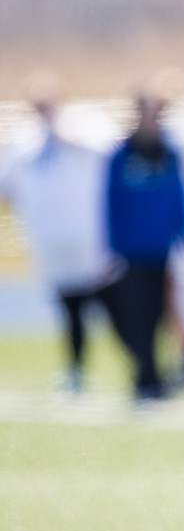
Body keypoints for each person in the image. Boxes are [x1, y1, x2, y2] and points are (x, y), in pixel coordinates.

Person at [0, 72, 121, 393]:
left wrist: (69, 136)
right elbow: (6, 185)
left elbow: (113, 155)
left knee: (113, 306)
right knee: (70, 311)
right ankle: (76, 370)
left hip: (92, 240)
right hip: (51, 242)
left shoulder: (86, 124)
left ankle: (142, 367)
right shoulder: (25, 140)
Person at [105, 75, 184, 401]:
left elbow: (180, 196)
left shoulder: (169, 152)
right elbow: (111, 202)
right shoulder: (123, 155)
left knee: (158, 315)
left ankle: (153, 375)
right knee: (133, 314)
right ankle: (145, 372)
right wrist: (112, 246)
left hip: (162, 249)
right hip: (131, 251)